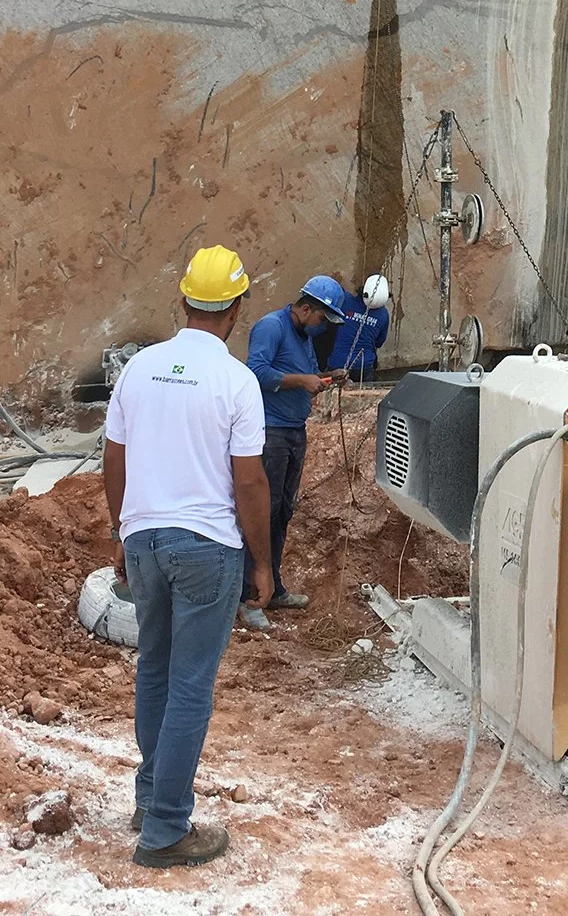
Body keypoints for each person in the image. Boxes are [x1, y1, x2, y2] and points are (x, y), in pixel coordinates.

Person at [103, 245, 273, 868]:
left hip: (144, 540)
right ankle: (166, 831)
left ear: (183, 301)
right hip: (206, 548)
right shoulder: (236, 381)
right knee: (190, 688)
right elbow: (249, 481)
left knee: (155, 672)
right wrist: (262, 563)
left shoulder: (140, 368)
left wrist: (122, 532)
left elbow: (113, 461)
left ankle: (152, 801)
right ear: (234, 309)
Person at [239, 275, 346, 631]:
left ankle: (274, 588)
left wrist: (325, 377)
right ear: (304, 308)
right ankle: (248, 597)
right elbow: (255, 372)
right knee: (261, 515)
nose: (322, 328)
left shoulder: (302, 336)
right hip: (271, 434)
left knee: (282, 512)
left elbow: (302, 375)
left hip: (294, 432)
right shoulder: (271, 327)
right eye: (321, 320)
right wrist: (302, 381)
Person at [325, 274, 391, 383]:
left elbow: (331, 286)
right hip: (364, 366)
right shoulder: (383, 315)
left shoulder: (346, 301)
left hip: (337, 363)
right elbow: (379, 342)